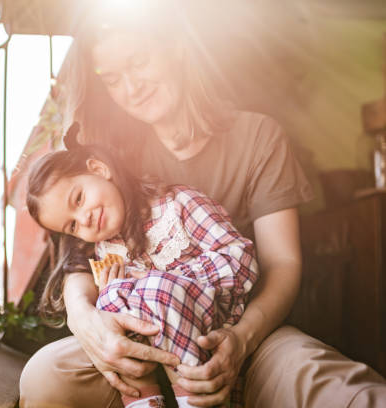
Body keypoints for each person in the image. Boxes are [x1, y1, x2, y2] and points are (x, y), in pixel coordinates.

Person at [19, 2, 386, 407]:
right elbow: (80, 259)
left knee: (343, 392)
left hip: (245, 330)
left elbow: (283, 263)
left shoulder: (258, 137)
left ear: (176, 47)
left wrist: (240, 342)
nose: (132, 88)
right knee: (45, 377)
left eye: (138, 62)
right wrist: (86, 321)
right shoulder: (115, 155)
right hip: (144, 343)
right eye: (114, 79)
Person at [25, 145, 258, 407]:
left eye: (78, 199)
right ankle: (145, 402)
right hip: (150, 358)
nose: (84, 219)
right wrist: (115, 297)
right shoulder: (105, 254)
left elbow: (240, 258)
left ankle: (195, 399)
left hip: (212, 322)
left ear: (99, 170)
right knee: (110, 298)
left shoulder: (178, 204)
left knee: (152, 287)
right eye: (73, 225)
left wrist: (159, 283)